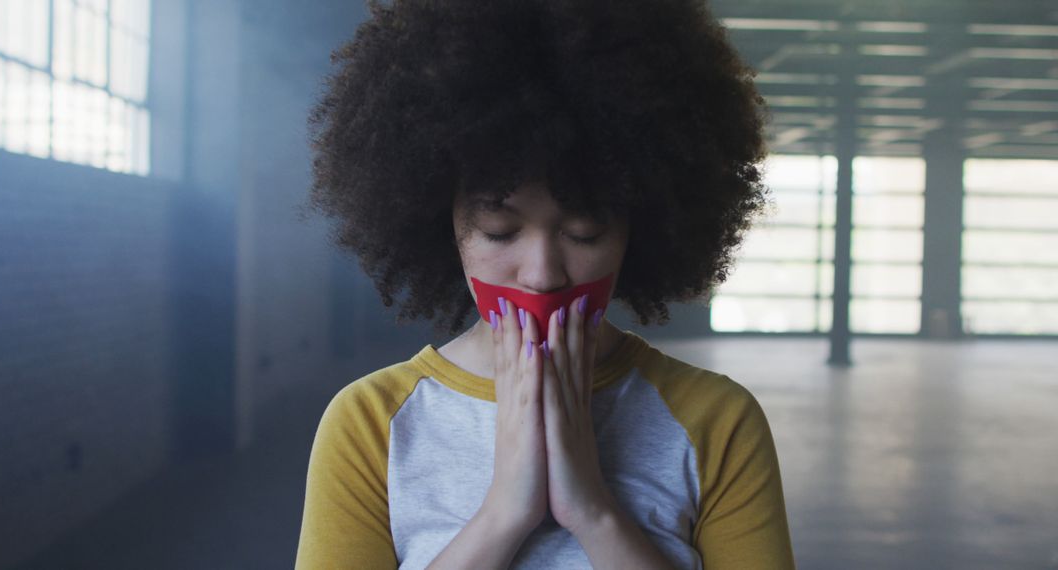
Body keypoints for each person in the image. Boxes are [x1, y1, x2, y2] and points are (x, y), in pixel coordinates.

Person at [296, 0, 796, 568]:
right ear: (442, 221)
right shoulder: (371, 424)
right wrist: (504, 512)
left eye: (584, 232)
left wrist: (593, 510)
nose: (541, 274)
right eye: (499, 230)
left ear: (641, 228)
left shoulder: (716, 420)